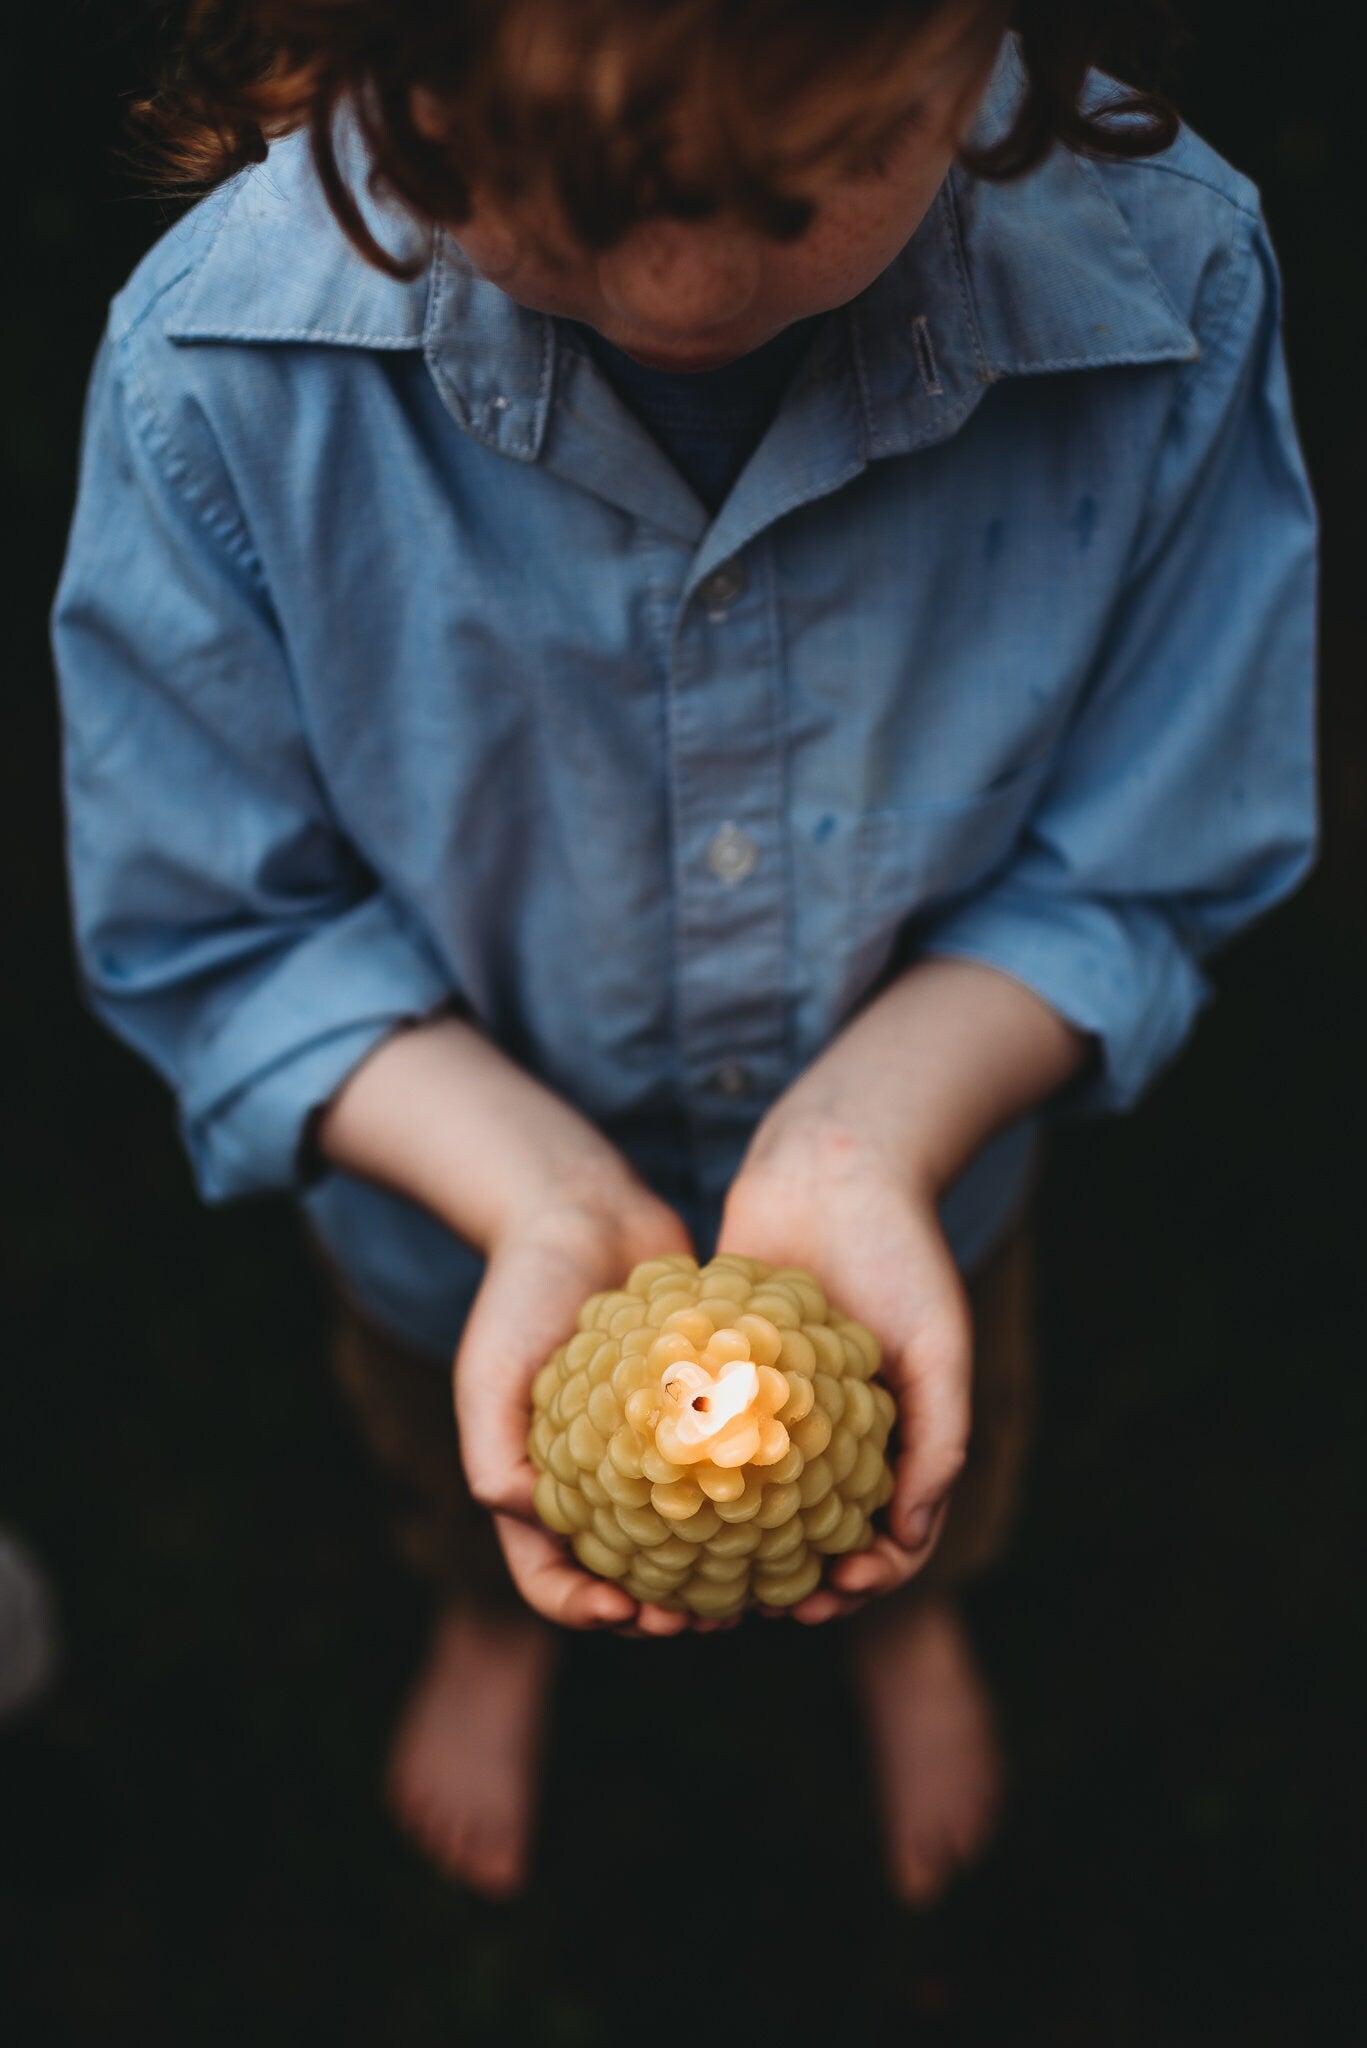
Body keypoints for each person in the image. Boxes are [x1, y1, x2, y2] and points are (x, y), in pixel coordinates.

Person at [50, 0, 1317, 1905]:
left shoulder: (1175, 284)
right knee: (456, 1447)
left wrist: (879, 1127)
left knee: (926, 1450)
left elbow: (1150, 843)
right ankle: (492, 1620)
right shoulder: (216, 373)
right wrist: (531, 1184)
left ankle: (905, 1617)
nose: (686, 284)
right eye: (568, 192)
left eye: (803, 182)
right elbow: (225, 925)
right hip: (444, 1230)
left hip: (936, 1198)